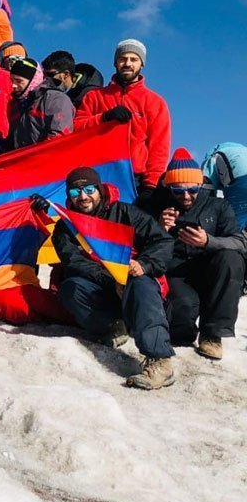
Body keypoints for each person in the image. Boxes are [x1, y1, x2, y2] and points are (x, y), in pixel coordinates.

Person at [51, 166, 176, 390]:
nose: (83, 197)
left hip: (136, 282)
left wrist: (144, 264)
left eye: (89, 190)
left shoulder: (126, 213)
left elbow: (162, 241)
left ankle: (159, 360)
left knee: (142, 284)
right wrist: (112, 280)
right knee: (71, 288)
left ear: (99, 190)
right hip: (102, 286)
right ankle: (111, 328)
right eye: (75, 192)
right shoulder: (65, 226)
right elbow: (74, 262)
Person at [149, 149, 245, 360]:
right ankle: (183, 329)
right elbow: (140, 246)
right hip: (176, 272)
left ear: (200, 185)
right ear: (169, 187)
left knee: (232, 258)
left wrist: (208, 241)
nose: (186, 196)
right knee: (182, 325)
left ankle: (212, 334)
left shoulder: (218, 206)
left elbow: (239, 242)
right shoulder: (157, 206)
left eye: (192, 189)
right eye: (178, 190)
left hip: (210, 270)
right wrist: (159, 229)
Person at [75, 39, 171, 200]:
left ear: (142, 64)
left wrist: (150, 185)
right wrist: (104, 117)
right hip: (98, 176)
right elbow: (76, 129)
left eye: (134, 59)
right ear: (115, 62)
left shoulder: (155, 102)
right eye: (122, 59)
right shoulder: (94, 97)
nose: (127, 63)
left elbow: (159, 148)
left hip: (135, 179)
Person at [6, 57, 74, 150]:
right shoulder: (16, 104)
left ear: (32, 80)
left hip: (47, 156)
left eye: (19, 81)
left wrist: (37, 155)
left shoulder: (55, 99)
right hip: (24, 158)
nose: (13, 85)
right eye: (12, 80)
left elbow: (59, 136)